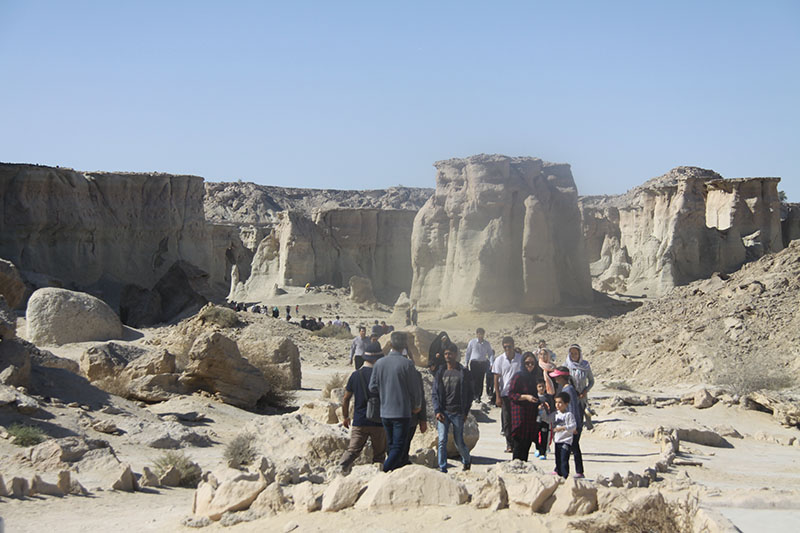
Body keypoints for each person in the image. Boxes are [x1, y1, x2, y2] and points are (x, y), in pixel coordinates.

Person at [369, 332, 422, 472]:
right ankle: (384, 471)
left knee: (392, 445)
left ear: (390, 344)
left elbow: (372, 387)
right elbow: (415, 390)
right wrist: (417, 406)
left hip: (385, 412)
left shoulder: (380, 363)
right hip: (402, 412)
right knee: (398, 447)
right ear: (404, 345)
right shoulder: (408, 364)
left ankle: (393, 472)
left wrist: (386, 389)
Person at [338, 343, 387, 470]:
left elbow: (346, 398)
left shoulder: (355, 375)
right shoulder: (382, 376)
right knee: (379, 455)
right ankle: (377, 478)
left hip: (359, 421)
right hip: (378, 421)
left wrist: (345, 417)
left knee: (352, 450)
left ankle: (340, 469)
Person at [432, 343, 473, 473]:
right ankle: (442, 467)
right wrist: (437, 410)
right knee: (442, 440)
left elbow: (470, 394)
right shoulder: (440, 372)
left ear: (455, 354)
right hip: (443, 411)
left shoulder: (463, 372)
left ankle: (466, 460)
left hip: (457, 412)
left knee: (458, 441)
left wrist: (465, 411)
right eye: (445, 354)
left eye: (450, 353)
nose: (448, 356)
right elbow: (435, 393)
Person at [549, 366, 585, 478]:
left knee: (570, 448)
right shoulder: (568, 388)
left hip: (571, 424)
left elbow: (573, 408)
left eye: (557, 377)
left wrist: (573, 426)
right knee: (574, 447)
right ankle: (577, 470)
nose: (555, 379)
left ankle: (565, 471)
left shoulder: (568, 390)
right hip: (571, 424)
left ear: (561, 377)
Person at [492, 336, 523, 453]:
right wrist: (497, 396)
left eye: (509, 346)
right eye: (505, 347)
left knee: (518, 420)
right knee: (507, 421)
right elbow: (496, 378)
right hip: (505, 394)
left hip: (518, 394)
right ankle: (509, 444)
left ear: (513, 346)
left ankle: (517, 442)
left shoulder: (520, 359)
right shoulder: (499, 360)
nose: (507, 349)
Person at [508, 352, 540, 461]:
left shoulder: (535, 376)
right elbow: (511, 394)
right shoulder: (518, 376)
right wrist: (525, 397)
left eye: (532, 363)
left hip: (531, 415)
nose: (530, 366)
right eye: (527, 363)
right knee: (518, 444)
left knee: (527, 443)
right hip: (520, 414)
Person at [565, 344, 595, 429]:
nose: (573, 355)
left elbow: (591, 381)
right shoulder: (566, 366)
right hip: (570, 398)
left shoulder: (585, 365)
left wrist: (585, 391)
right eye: (572, 353)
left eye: (575, 353)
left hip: (582, 398)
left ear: (579, 354)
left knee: (579, 422)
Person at [465, 328, 494, 403]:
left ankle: (479, 396)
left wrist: (491, 363)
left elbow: (490, 354)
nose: (480, 335)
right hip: (474, 363)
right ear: (477, 334)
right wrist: (466, 363)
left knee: (480, 380)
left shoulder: (486, 343)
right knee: (474, 380)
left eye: (482, 334)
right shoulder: (472, 342)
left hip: (482, 364)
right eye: (479, 333)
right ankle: (474, 396)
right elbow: (468, 353)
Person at [552, 391, 577, 478]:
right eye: (556, 402)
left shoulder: (568, 415)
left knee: (564, 460)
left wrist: (563, 428)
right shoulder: (555, 414)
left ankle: (565, 476)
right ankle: (559, 475)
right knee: (557, 460)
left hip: (565, 441)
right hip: (557, 440)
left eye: (560, 403)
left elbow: (573, 426)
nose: (557, 405)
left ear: (566, 404)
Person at [535, 380, 553, 460]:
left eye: (543, 386)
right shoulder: (535, 397)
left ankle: (543, 452)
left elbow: (552, 407)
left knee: (544, 435)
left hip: (546, 419)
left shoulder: (548, 397)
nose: (541, 388)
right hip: (536, 419)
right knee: (535, 435)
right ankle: (538, 448)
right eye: (539, 386)